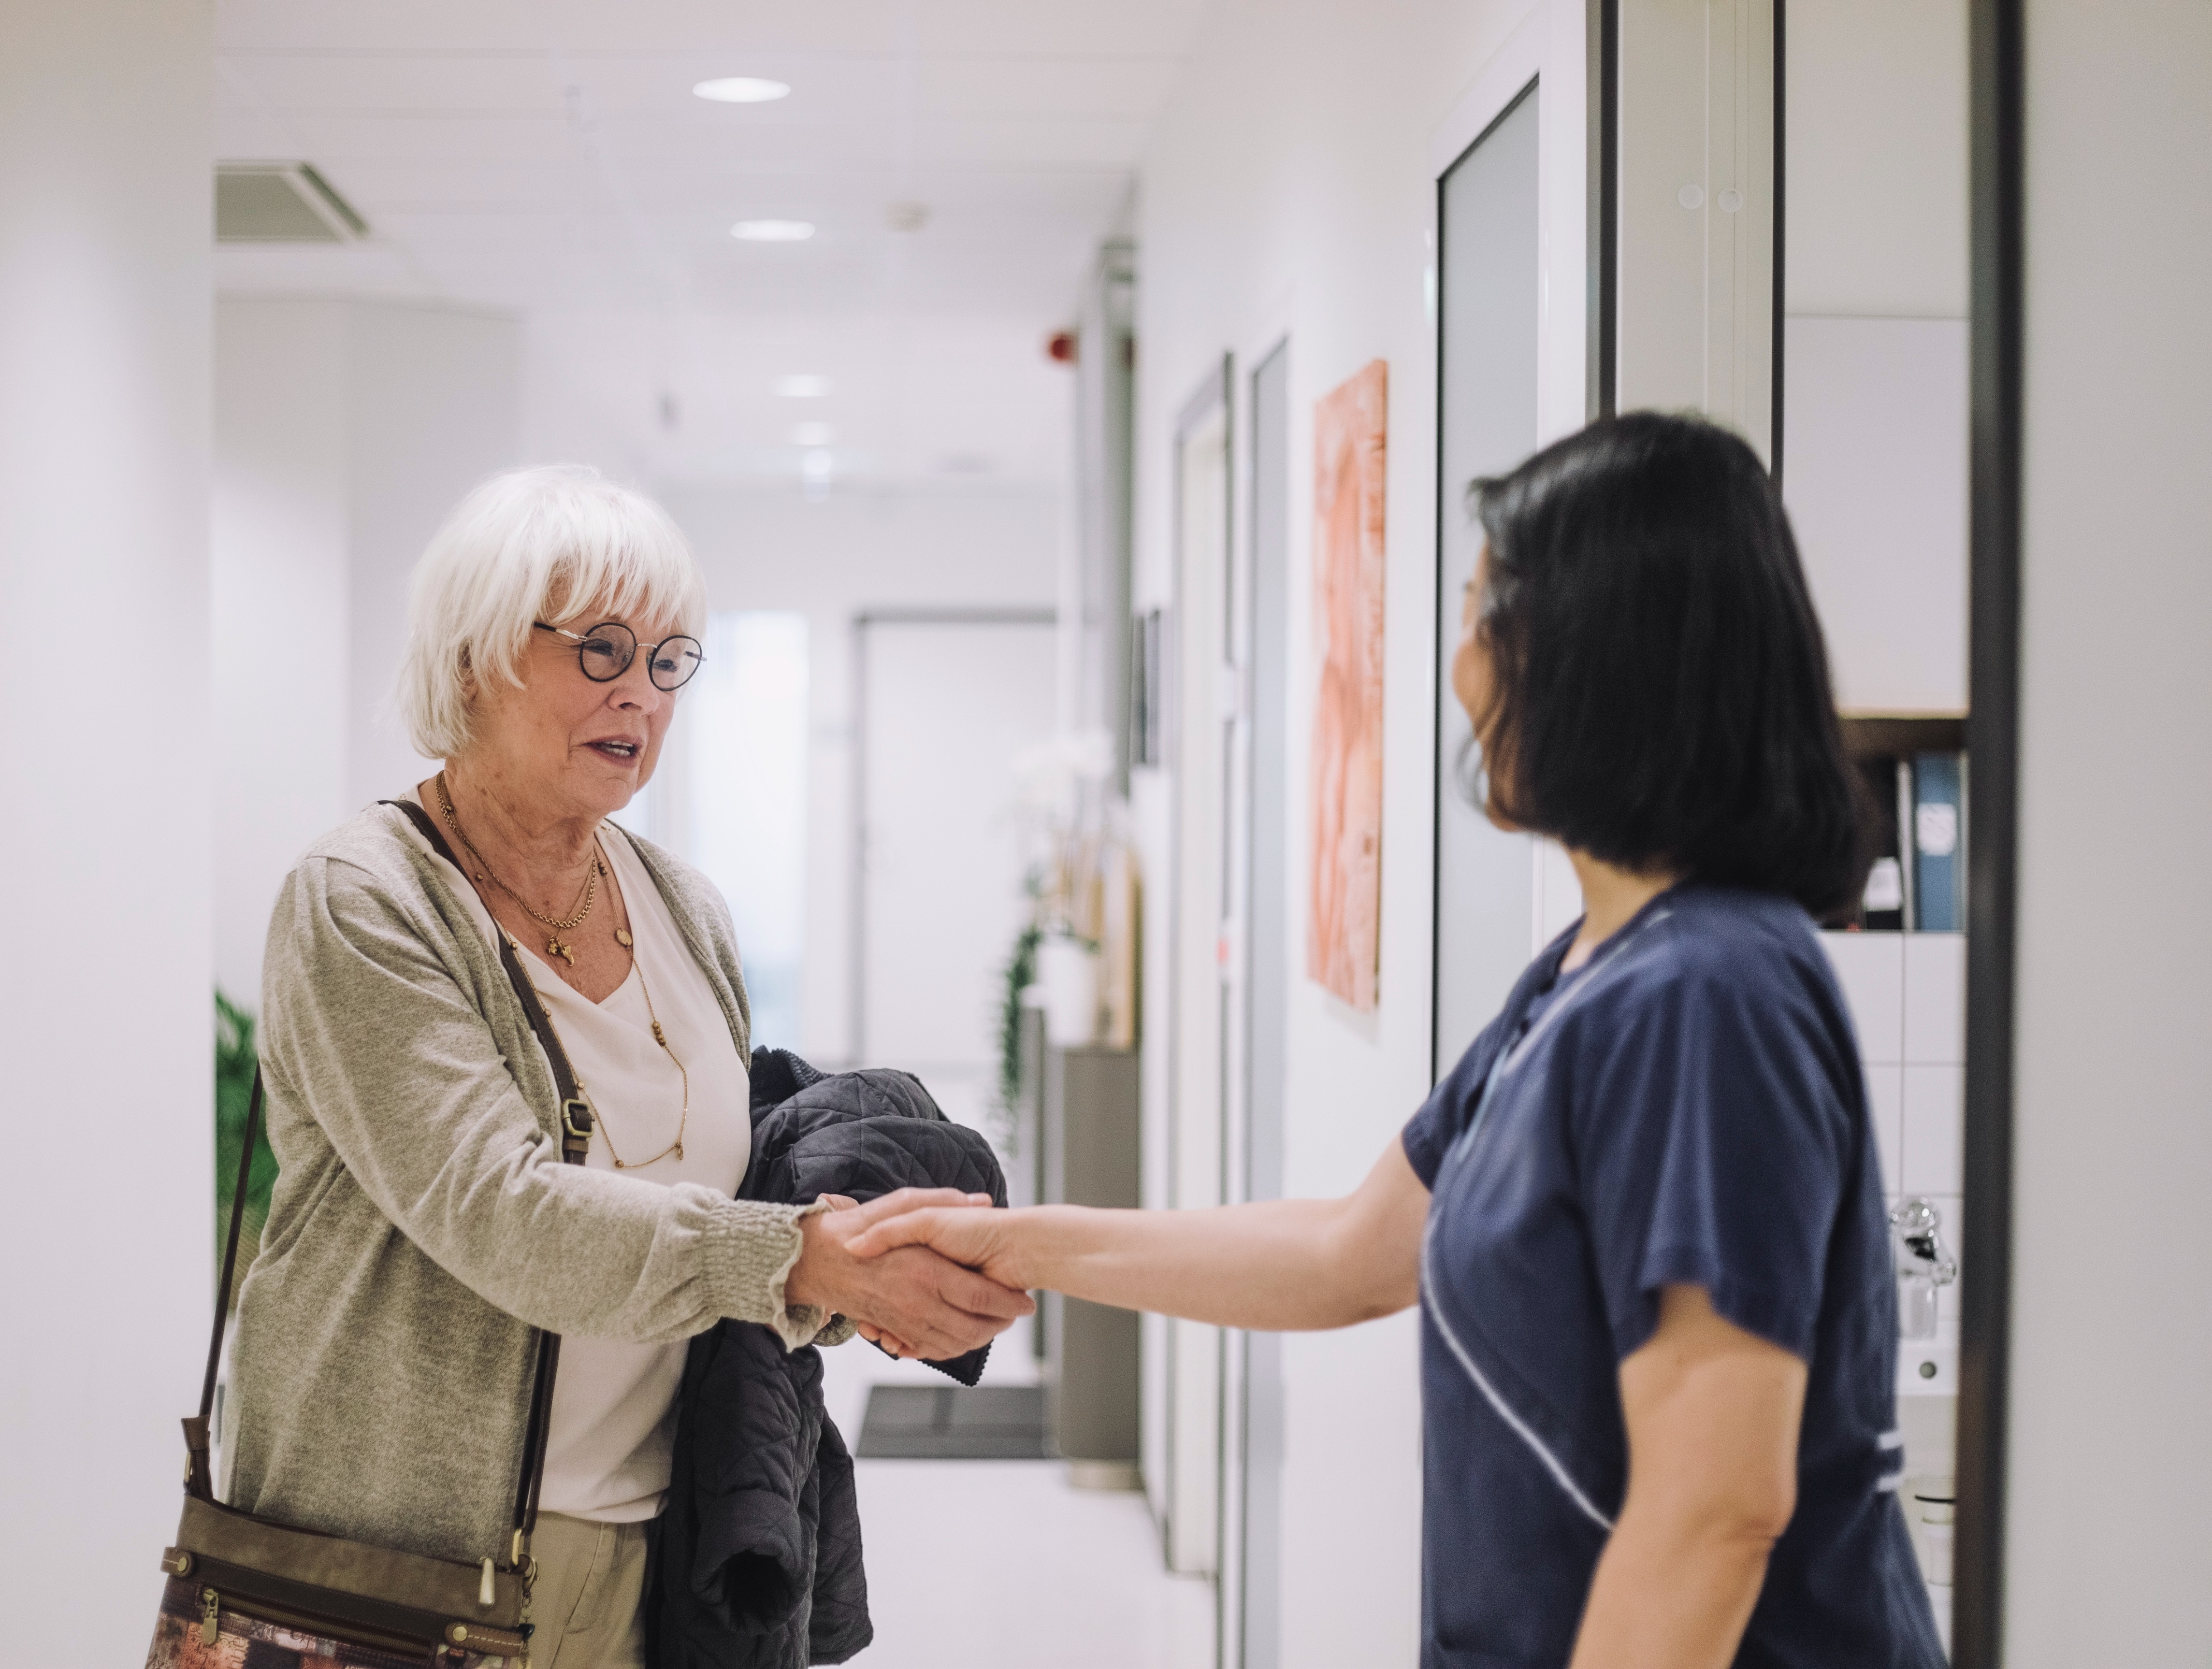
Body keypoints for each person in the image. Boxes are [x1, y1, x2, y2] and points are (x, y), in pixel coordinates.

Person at [841, 415, 1948, 1668]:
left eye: (1482, 617)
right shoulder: (1592, 972)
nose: (1460, 668)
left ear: (1592, 657)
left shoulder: (1703, 995)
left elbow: (1712, 1512)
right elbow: (1341, 1252)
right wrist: (1018, 1241)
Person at [225, 465, 1027, 1668]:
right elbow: (502, 1215)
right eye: (599, 650)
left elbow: (714, 1209)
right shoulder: (363, 902)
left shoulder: (681, 905)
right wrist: (795, 1258)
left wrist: (852, 1276)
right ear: (471, 660)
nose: (641, 695)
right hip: (402, 1569)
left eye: (668, 660)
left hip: (648, 1546)